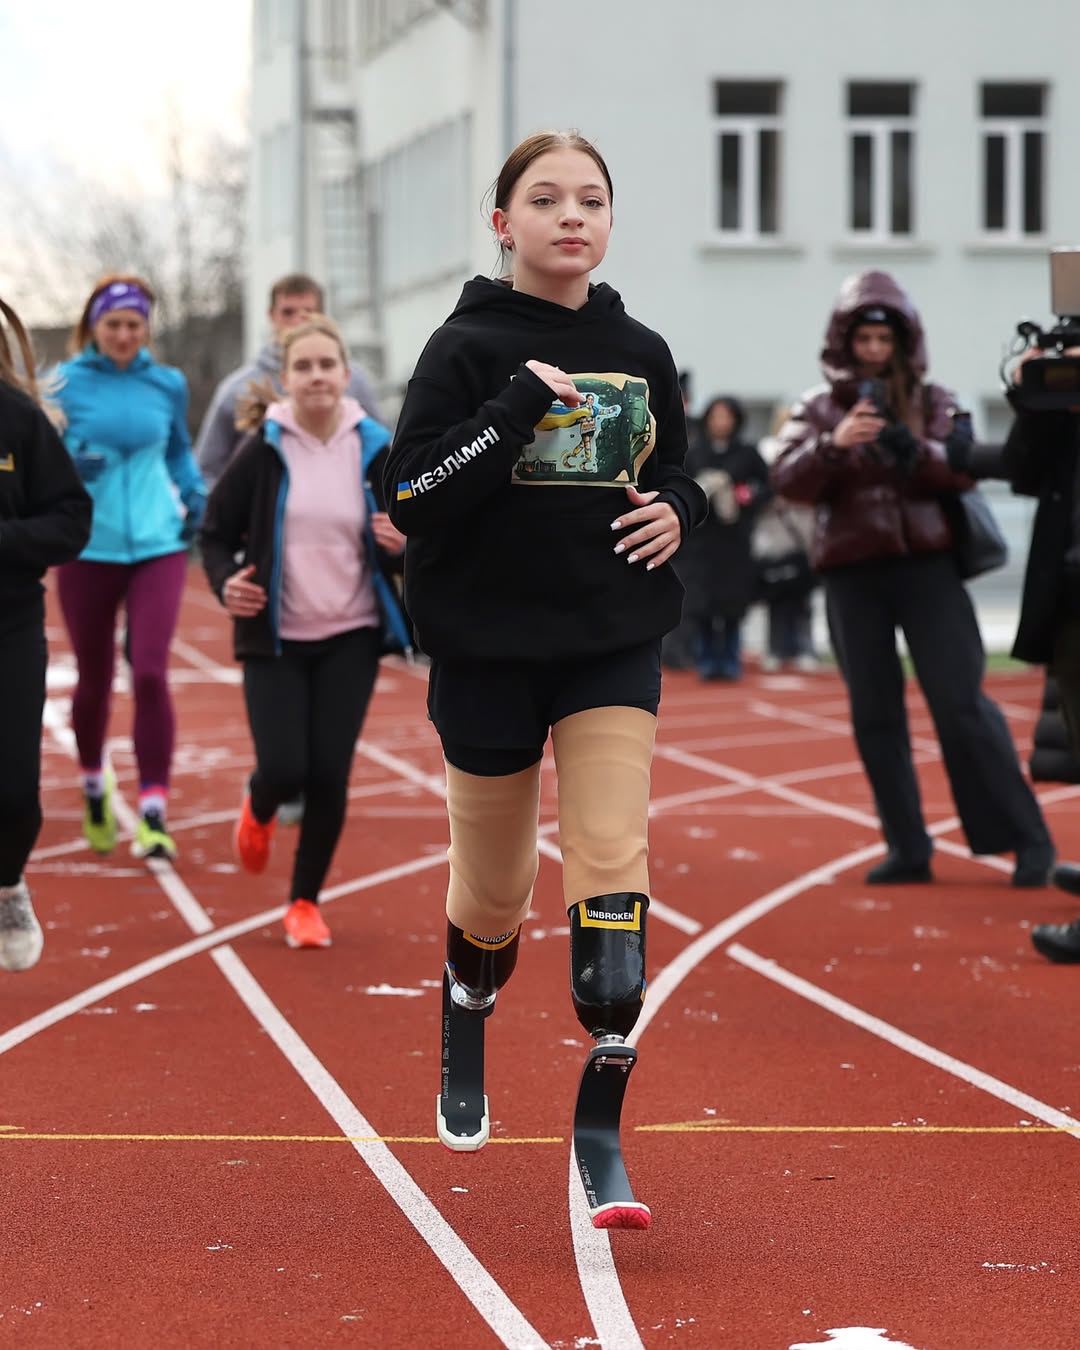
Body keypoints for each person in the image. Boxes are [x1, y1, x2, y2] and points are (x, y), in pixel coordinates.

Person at [383, 129, 706, 1227]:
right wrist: (512, 407)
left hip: (611, 636)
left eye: (592, 200)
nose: (573, 216)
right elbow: (413, 496)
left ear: (609, 222)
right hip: (485, 649)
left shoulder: (645, 347)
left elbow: (672, 470)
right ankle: (468, 989)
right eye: (547, 198)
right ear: (502, 222)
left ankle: (607, 1072)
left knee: (613, 850)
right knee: (495, 884)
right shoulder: (462, 347)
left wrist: (682, 510)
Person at [771, 270, 1054, 887]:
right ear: (845, 341)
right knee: (874, 713)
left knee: (962, 704)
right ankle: (908, 847)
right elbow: (787, 481)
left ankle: (1028, 840)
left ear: (903, 342)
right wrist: (835, 445)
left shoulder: (936, 399)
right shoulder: (816, 407)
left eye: (884, 338)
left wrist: (911, 449)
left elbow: (966, 467)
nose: (874, 349)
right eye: (864, 338)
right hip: (851, 575)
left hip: (928, 568)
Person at [199, 315, 409, 950]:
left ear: (346, 375)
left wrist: (404, 546)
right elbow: (213, 533)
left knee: (329, 775)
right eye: (304, 367)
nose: (317, 377)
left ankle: (303, 902)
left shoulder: (376, 446)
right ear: (284, 379)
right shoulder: (263, 448)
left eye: (327, 366)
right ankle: (259, 806)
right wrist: (226, 582)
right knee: (285, 767)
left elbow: (416, 536)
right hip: (278, 635)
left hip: (352, 633)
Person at [54, 275, 207, 861]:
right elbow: (46, 458)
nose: (123, 334)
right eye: (113, 324)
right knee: (93, 678)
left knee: (148, 671)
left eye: (133, 325)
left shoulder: (166, 383)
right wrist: (74, 469)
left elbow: (176, 452)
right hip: (87, 547)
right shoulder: (63, 384)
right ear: (94, 325)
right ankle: (95, 783)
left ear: (146, 329)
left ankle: (152, 810)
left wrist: (195, 495)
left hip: (157, 544)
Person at [0, 299, 92, 971]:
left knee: (13, 795)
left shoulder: (20, 421)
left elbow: (70, 520)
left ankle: (7, 884)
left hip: (8, 625)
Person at [194, 273, 383, 489]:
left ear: (322, 315)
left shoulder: (353, 381)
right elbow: (208, 470)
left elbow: (382, 451)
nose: (296, 322)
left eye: (307, 312)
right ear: (271, 315)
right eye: (288, 312)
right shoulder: (237, 390)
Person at [676, 395, 769, 680]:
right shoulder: (694, 452)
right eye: (716, 417)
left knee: (732, 601)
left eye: (726, 417)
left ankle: (731, 657)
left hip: (734, 540)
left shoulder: (748, 453)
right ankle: (705, 658)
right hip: (701, 541)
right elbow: (680, 485)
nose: (721, 422)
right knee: (702, 602)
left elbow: (767, 485)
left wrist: (745, 496)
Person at [753, 402, 820, 672]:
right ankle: (776, 648)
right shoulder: (768, 450)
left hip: (805, 528)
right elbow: (762, 488)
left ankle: (805, 648)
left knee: (804, 593)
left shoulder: (812, 449)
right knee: (777, 593)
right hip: (777, 530)